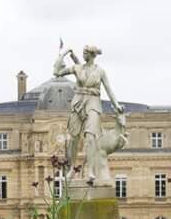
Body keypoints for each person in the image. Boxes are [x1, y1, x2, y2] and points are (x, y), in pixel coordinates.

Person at [53, 44, 124, 183]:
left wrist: (116, 105)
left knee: (90, 138)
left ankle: (90, 171)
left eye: (85, 53)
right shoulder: (77, 68)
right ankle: (72, 167)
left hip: (93, 104)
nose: (83, 55)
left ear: (91, 55)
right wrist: (64, 53)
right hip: (78, 103)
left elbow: (108, 88)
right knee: (73, 138)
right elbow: (56, 72)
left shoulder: (100, 71)